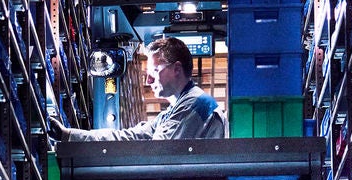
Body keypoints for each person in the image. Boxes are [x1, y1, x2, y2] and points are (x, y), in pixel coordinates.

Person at [52, 35, 226, 142]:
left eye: (155, 71)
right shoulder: (171, 113)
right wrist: (70, 135)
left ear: (177, 69)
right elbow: (129, 137)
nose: (149, 80)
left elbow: (158, 152)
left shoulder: (196, 104)